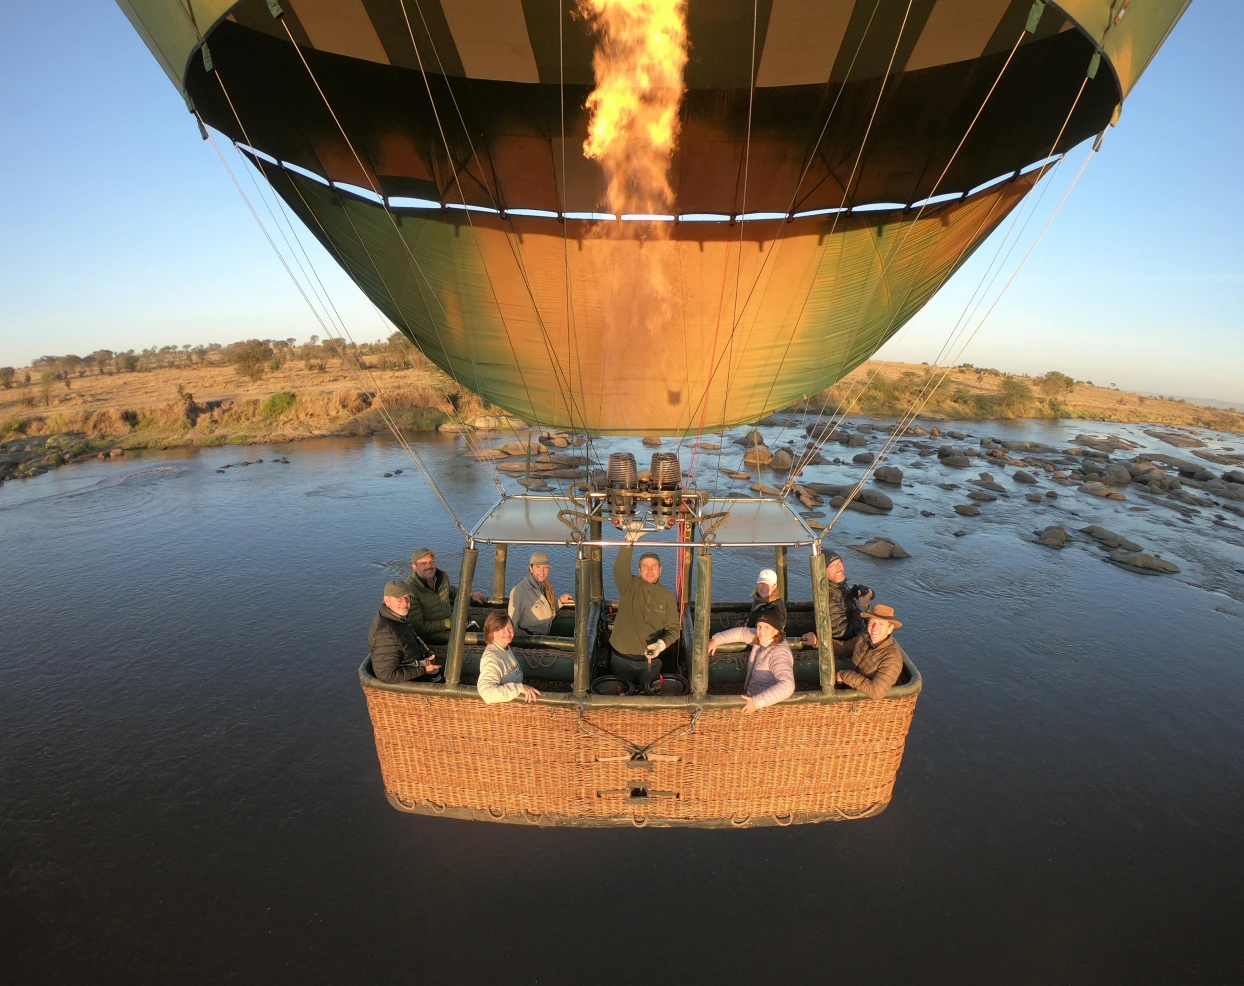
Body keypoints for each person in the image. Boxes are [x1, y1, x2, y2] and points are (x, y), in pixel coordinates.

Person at [610, 537, 681, 689]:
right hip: (622, 659)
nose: (649, 570)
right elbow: (619, 568)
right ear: (639, 570)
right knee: (621, 695)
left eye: (654, 566)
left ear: (661, 569)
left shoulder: (667, 596)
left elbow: (674, 629)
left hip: (651, 661)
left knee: (650, 695)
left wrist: (661, 645)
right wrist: (629, 542)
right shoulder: (628, 585)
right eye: (645, 566)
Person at [708, 613, 795, 712]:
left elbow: (787, 685)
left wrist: (757, 702)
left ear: (776, 631)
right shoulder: (761, 639)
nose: (761, 631)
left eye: (767, 627)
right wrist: (717, 640)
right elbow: (742, 633)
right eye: (759, 626)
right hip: (751, 695)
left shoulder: (779, 654)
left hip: (764, 708)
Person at [800, 550, 874, 657]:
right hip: (845, 650)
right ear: (823, 571)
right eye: (832, 566)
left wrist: (859, 592)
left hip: (860, 636)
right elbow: (844, 633)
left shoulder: (839, 586)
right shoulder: (829, 599)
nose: (839, 568)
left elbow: (848, 596)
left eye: (840, 563)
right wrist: (861, 607)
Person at [405, 546, 487, 641]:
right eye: (423, 563)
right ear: (414, 567)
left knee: (487, 623)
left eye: (431, 562)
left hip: (450, 622)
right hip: (433, 635)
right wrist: (451, 623)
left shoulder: (442, 577)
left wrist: (472, 595)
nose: (429, 566)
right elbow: (418, 626)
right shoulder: (410, 590)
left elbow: (450, 591)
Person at [368, 580, 442, 684]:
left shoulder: (394, 617)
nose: (405, 603)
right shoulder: (385, 635)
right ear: (386, 600)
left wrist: (424, 660)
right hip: (411, 681)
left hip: (414, 665)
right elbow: (387, 675)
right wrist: (423, 669)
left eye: (407, 598)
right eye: (399, 599)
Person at [836, 603, 905, 700]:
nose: (874, 628)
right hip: (849, 689)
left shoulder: (891, 658)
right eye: (872, 622)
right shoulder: (864, 638)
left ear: (890, 629)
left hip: (864, 704)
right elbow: (844, 649)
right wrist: (817, 642)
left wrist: (845, 675)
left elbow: (876, 692)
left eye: (881, 624)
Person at [476, 611, 542, 705]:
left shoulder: (504, 647)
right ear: (493, 633)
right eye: (502, 629)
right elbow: (487, 693)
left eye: (510, 627)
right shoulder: (491, 658)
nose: (508, 632)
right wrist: (519, 688)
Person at [508, 551, 575, 636]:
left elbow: (546, 612)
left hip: (548, 628)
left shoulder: (544, 585)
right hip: (534, 636)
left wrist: (560, 601)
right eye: (538, 566)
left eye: (545, 567)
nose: (542, 571)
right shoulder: (519, 591)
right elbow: (512, 624)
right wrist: (528, 641)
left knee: (574, 623)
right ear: (531, 568)